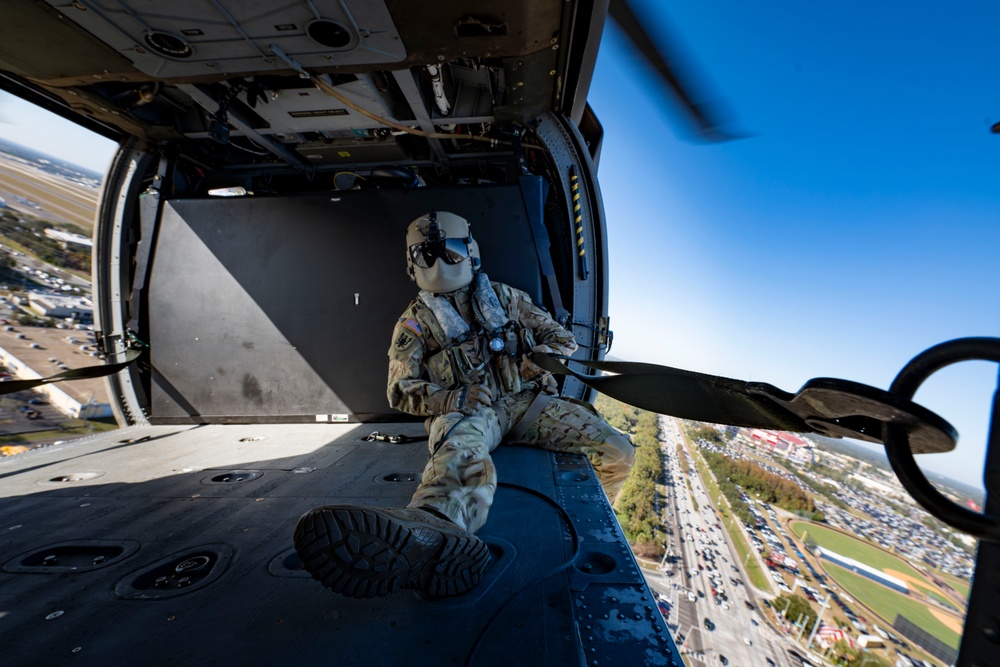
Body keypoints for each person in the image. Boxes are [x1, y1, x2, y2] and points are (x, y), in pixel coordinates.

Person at [295, 211, 635, 599]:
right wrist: (451, 398)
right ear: (413, 262)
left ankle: (594, 522)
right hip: (474, 411)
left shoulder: (507, 299)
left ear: (470, 252)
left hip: (529, 403)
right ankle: (431, 530)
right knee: (457, 451)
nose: (441, 262)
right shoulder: (416, 323)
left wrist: (539, 356)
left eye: (452, 251)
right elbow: (400, 389)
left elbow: (562, 339)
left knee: (618, 450)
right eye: (427, 254)